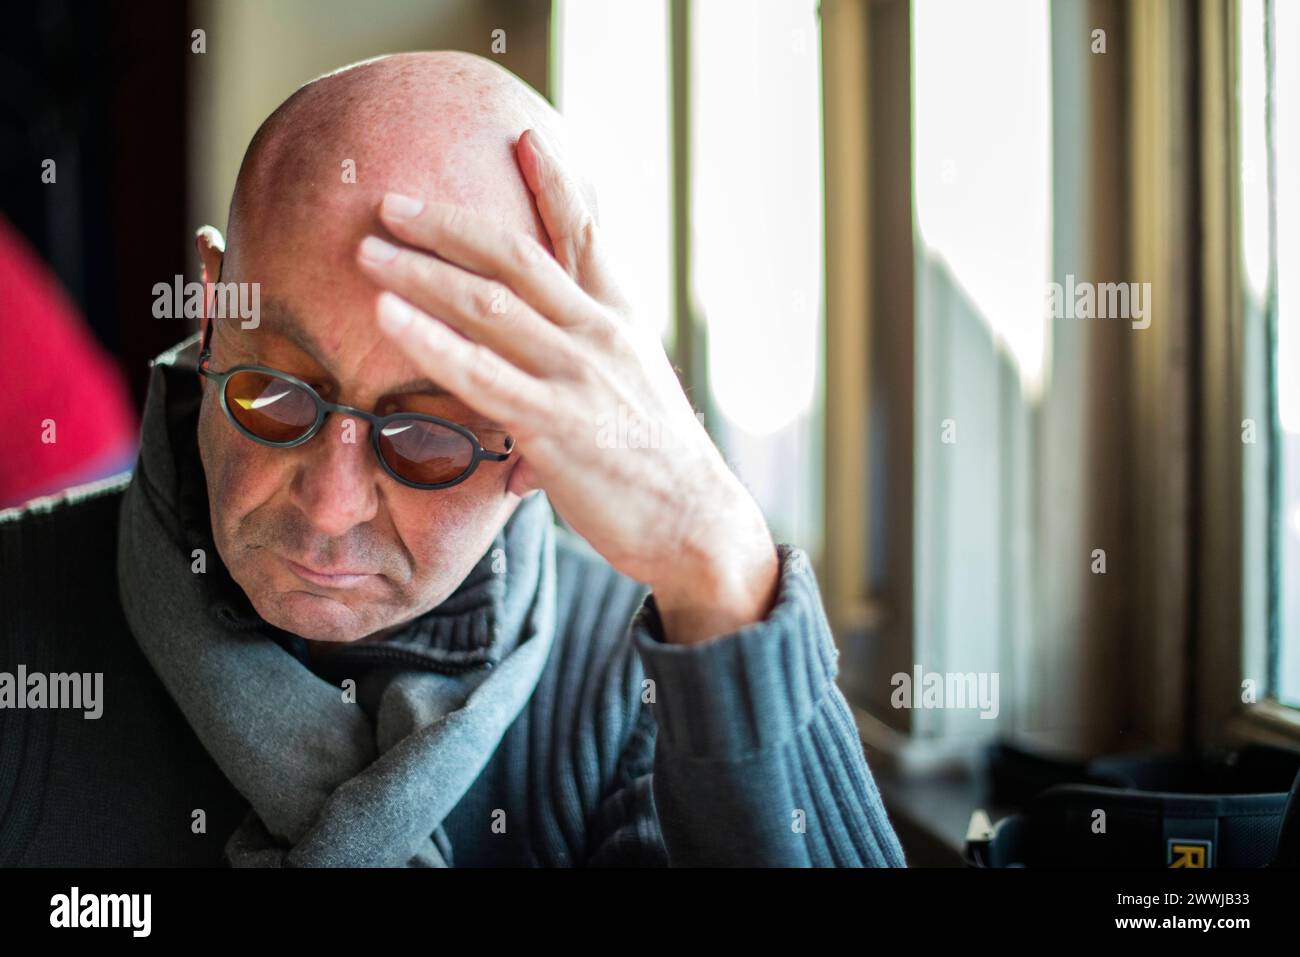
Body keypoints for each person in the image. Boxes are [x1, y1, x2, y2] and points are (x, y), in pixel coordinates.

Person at [0, 51, 905, 867]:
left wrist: (715, 549)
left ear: (536, 444)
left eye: (425, 437)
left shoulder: (641, 692)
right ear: (208, 313)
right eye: (277, 396)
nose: (330, 506)